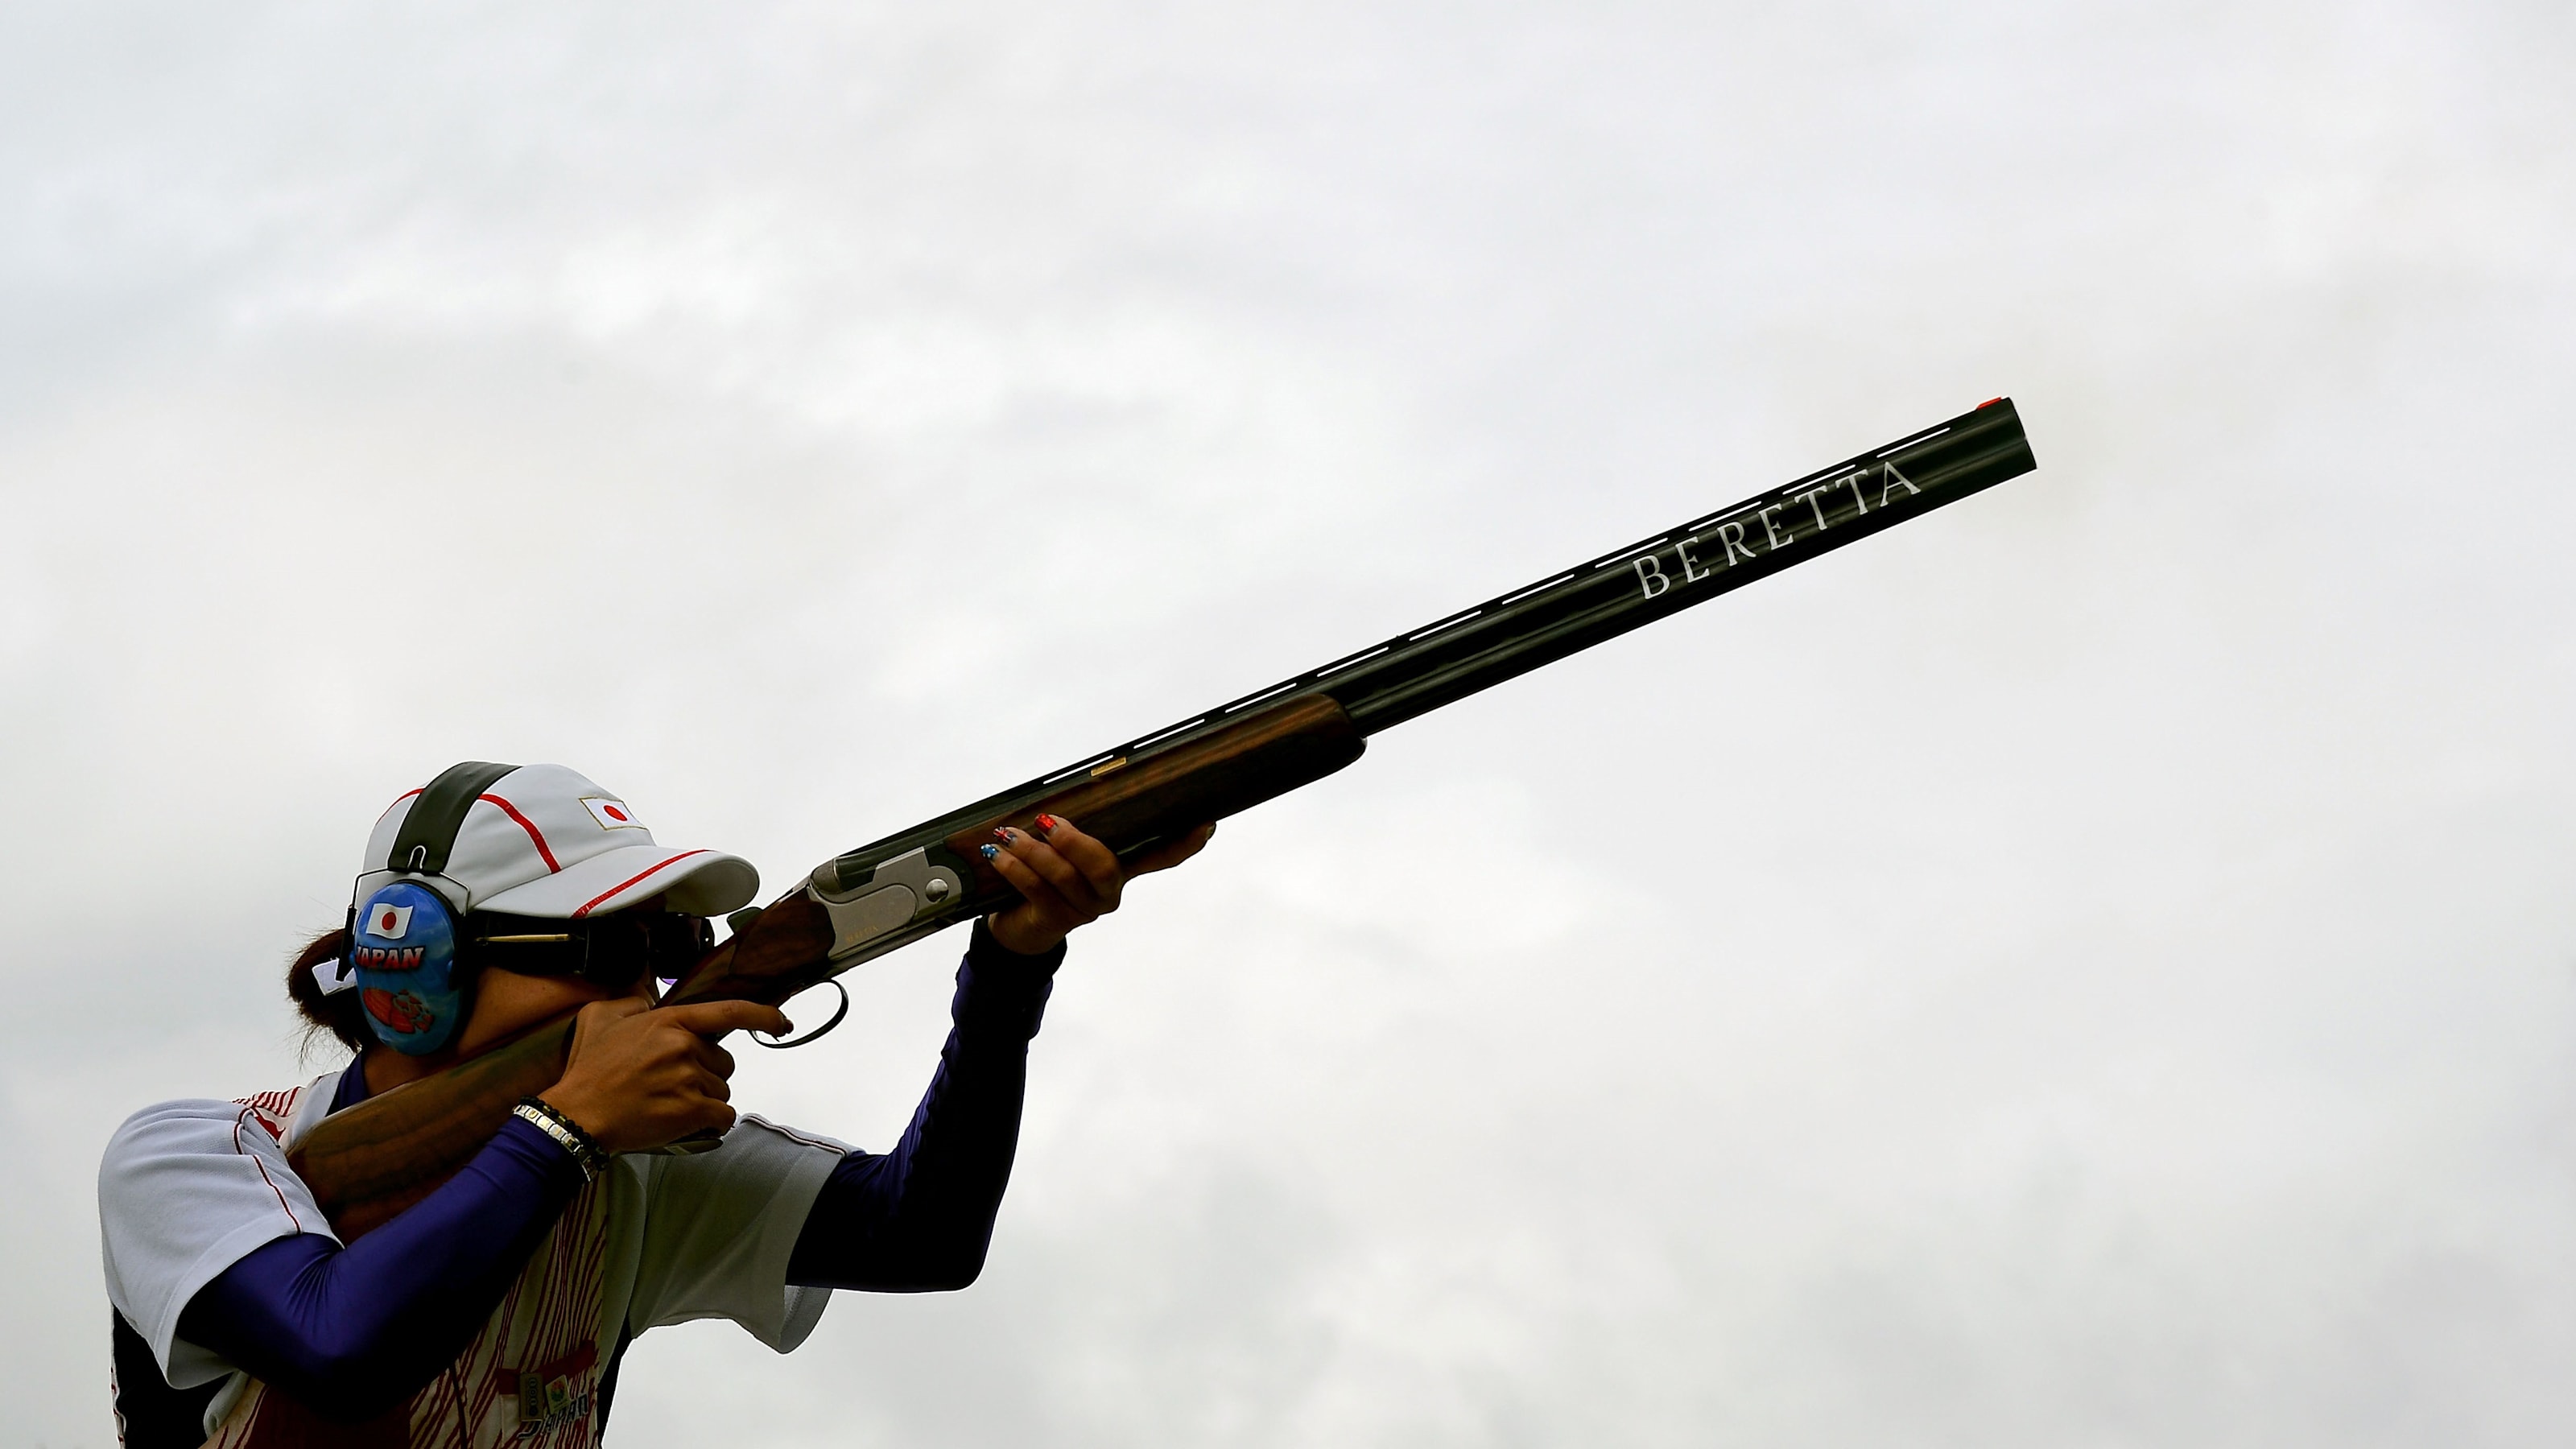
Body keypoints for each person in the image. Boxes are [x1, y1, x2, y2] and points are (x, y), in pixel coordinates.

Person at [98, 762, 1209, 1447]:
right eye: (606, 947)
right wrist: (561, 1128)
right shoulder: (202, 1153)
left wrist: (1011, 966)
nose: (651, 985)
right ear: (415, 965)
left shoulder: (629, 1175)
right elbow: (339, 1347)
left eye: (670, 945)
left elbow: (926, 1235)